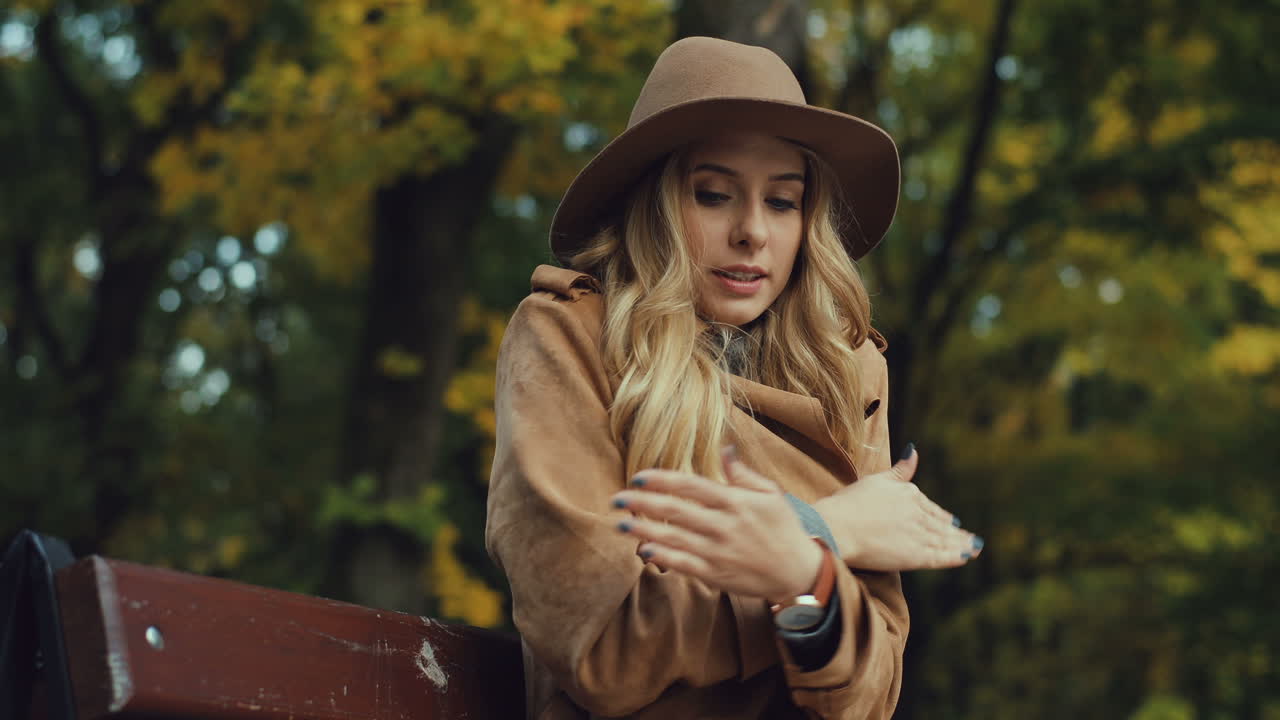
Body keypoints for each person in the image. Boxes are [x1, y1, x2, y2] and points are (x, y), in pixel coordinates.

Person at [486, 36, 982, 719]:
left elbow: (871, 694)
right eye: (714, 195)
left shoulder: (847, 368)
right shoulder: (567, 335)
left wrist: (803, 583)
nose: (752, 231)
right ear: (654, 203)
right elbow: (602, 649)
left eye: (783, 202)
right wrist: (820, 536)